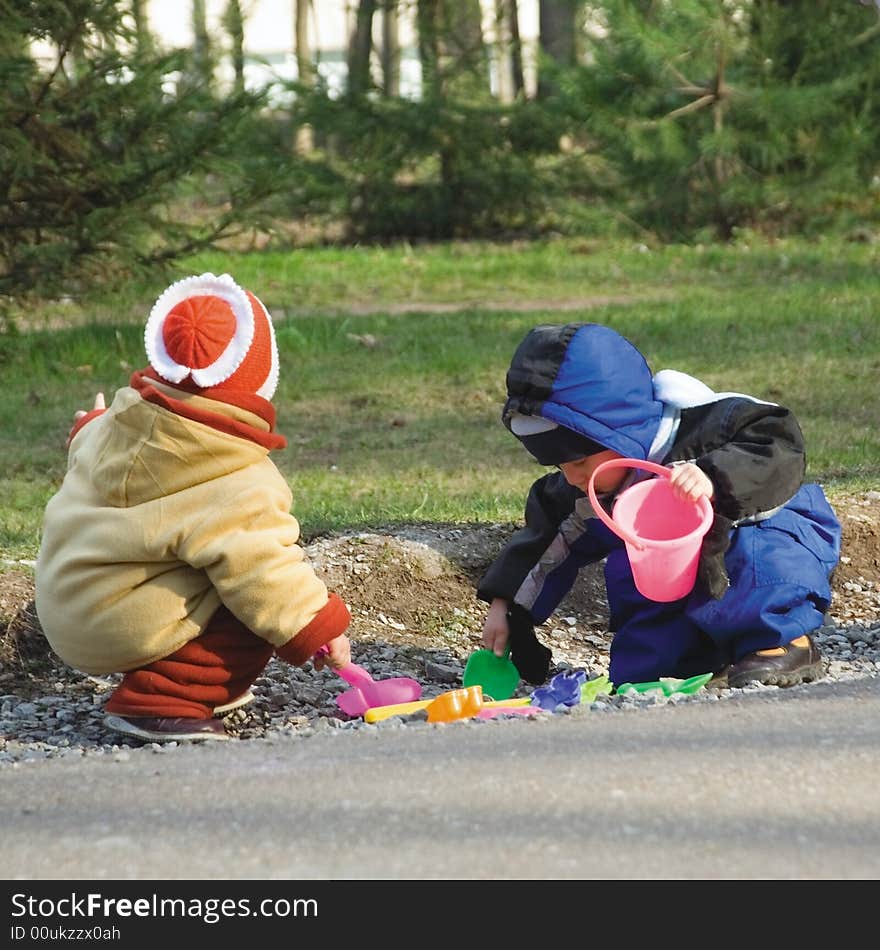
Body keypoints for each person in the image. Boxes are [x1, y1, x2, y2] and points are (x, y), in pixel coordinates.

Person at [35, 272, 352, 742]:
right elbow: (265, 569)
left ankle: (182, 678)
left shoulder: (119, 424)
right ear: (260, 382)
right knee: (249, 605)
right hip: (120, 621)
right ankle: (162, 700)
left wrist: (89, 423)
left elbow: (88, 438)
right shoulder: (237, 476)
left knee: (211, 571)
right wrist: (316, 624)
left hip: (63, 603)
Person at [478, 322, 842, 690]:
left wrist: (714, 476)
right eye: (560, 466)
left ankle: (780, 642)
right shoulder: (587, 489)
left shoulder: (711, 427)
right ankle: (681, 665)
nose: (572, 477)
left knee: (755, 549)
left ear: (619, 431)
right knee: (638, 630)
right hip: (674, 575)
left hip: (761, 529)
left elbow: (779, 447)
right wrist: (508, 608)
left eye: (579, 462)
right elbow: (546, 539)